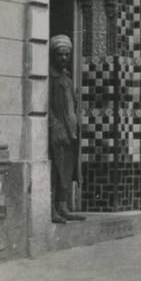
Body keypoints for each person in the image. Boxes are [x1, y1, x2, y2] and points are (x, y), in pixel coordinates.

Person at [48, 35, 85, 224]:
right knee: (56, 169)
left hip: (71, 131)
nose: (63, 58)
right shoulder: (51, 78)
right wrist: (55, 127)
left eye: (67, 55)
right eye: (60, 55)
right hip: (58, 131)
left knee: (67, 168)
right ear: (53, 55)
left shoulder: (67, 77)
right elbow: (46, 106)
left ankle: (63, 205)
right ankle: (52, 208)